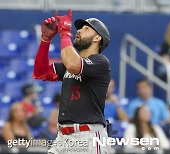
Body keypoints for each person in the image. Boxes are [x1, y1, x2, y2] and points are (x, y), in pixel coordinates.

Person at [33, 9, 111, 153]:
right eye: (79, 28)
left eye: (86, 29)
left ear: (97, 38)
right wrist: (45, 40)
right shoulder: (72, 64)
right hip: (63, 137)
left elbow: (73, 65)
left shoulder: (101, 62)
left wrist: (64, 33)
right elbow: (40, 73)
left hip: (88, 136)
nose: (79, 31)